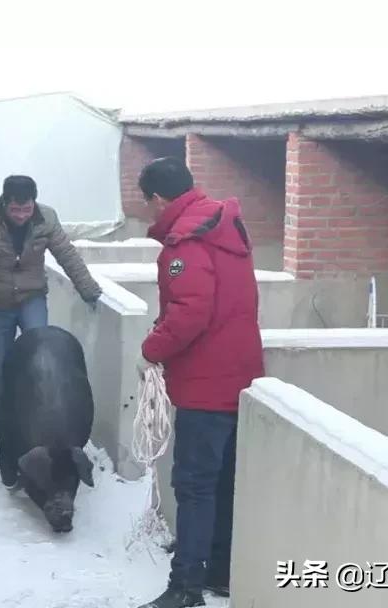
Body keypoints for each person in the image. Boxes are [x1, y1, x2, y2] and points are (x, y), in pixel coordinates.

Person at [134, 157, 264, 608]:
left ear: (156, 198)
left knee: (193, 485)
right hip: (239, 377)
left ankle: (186, 585)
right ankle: (219, 568)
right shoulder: (227, 227)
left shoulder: (183, 245)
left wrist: (151, 349)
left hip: (205, 386)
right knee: (223, 480)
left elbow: (190, 313)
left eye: (146, 202)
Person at [0, 175, 101, 442]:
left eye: (26, 209)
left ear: (34, 203)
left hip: (32, 298)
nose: (21, 215)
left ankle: (37, 415)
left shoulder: (47, 218)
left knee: (40, 360)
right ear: (4, 203)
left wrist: (88, 288)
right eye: (15, 209)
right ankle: (0, 420)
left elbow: (66, 254)